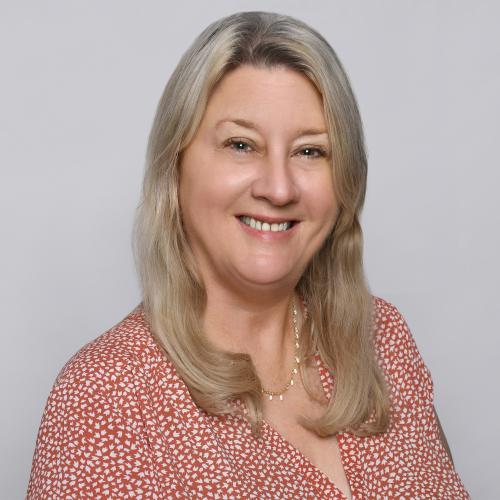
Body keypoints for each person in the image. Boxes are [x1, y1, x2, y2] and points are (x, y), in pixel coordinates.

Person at [27, 11, 469, 499]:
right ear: (175, 167)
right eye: (241, 145)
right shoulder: (106, 396)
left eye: (310, 151)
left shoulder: (383, 341)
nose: (279, 188)